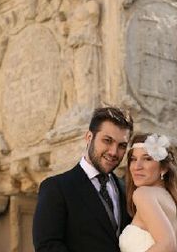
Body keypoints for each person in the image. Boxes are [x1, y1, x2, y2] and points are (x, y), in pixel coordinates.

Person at [33, 107, 133, 251]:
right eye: (107, 140)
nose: (113, 152)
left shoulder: (126, 188)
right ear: (89, 137)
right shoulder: (56, 188)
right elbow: (47, 246)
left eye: (122, 146)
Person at [119, 133, 177, 252]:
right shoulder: (175, 202)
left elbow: (167, 245)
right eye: (133, 159)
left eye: (147, 159)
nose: (137, 166)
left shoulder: (143, 194)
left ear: (164, 168)